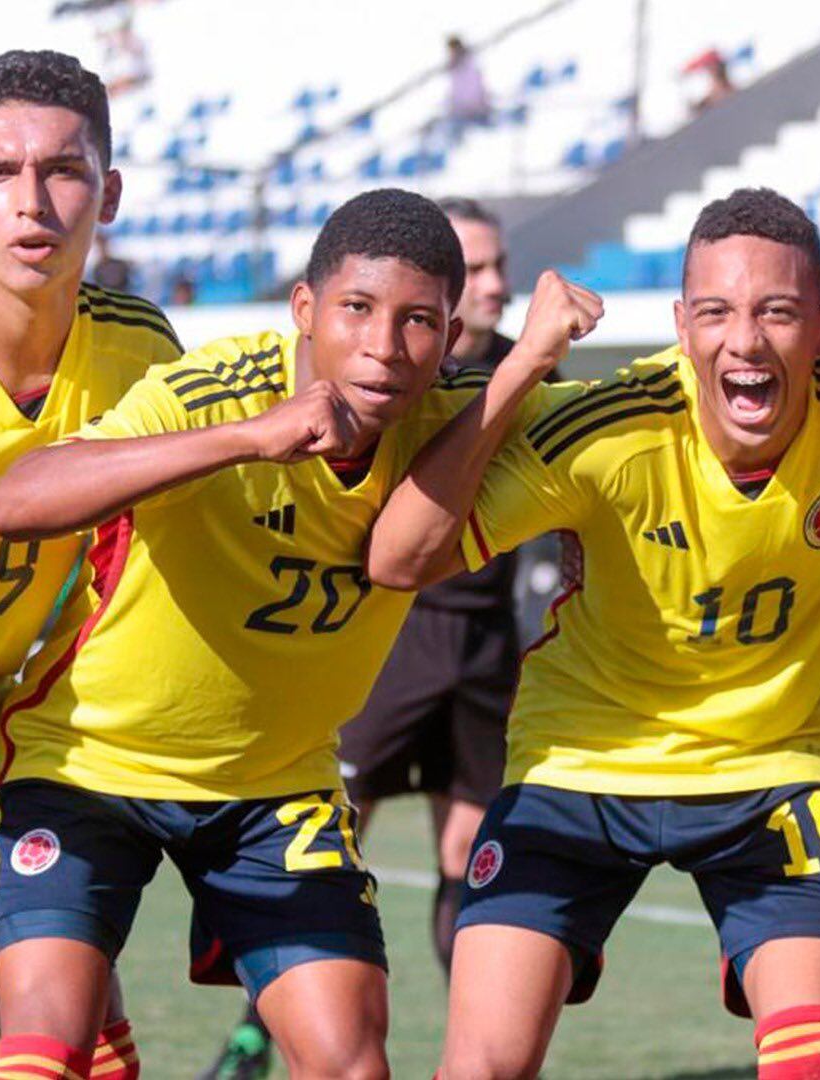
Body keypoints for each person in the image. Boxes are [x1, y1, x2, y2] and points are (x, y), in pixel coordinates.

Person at [0, 187, 556, 1080]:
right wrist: (248, 438)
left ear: (450, 337)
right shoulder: (216, 387)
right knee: (54, 1053)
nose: (382, 345)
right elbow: (19, 501)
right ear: (304, 309)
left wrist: (533, 360)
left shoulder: (460, 414)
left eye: (417, 322)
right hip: (87, 766)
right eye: (356, 308)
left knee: (352, 1064)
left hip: (276, 789)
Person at [367, 187, 820, 1079]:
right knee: (480, 1068)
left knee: (819, 1060)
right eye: (716, 312)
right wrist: (522, 367)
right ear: (680, 324)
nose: (745, 342)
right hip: (577, 767)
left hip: (773, 771)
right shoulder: (610, 428)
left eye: (778, 313)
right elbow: (398, 557)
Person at [198, 195, 524, 1080]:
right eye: (478, 268)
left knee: (469, 857)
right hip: (390, 638)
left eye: (498, 267)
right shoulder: (390, 380)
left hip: (486, 648)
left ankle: (475, 1049)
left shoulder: (521, 373)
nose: (495, 285)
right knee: (337, 834)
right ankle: (261, 1028)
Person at [0, 48, 181, 1079]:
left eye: (63, 170)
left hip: (13, 777)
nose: (31, 202)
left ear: (109, 194)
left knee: (84, 1057)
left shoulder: (144, 353)